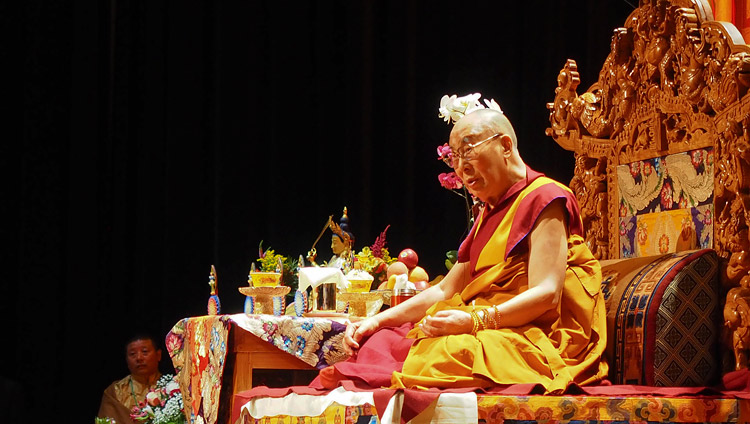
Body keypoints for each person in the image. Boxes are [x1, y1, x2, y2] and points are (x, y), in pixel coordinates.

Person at [319, 108, 608, 393]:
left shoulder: (545, 197)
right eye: (454, 157)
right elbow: (444, 290)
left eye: (467, 151)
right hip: (492, 328)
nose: (459, 167)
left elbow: (547, 293)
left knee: (447, 353)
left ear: (505, 145)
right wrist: (375, 320)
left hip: (535, 335)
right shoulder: (488, 212)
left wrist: (473, 321)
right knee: (382, 341)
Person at [97, 334, 163, 423]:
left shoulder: (173, 386)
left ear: (158, 355)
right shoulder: (115, 391)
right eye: (132, 354)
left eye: (144, 352)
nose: (139, 358)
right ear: (126, 360)